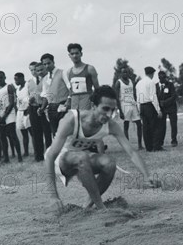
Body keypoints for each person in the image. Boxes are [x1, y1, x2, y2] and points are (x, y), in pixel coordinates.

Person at [45, 85, 160, 215]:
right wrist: (53, 196)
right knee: (82, 157)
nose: (109, 114)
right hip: (60, 161)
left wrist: (147, 175)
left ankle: (86, 208)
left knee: (109, 163)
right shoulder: (72, 119)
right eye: (105, 109)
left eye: (112, 110)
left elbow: (132, 152)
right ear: (93, 106)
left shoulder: (111, 125)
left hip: (82, 159)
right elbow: (50, 156)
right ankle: (101, 209)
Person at [0, 71, 22, 163]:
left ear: (4, 77)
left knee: (13, 136)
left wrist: (4, 116)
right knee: (2, 138)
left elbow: (11, 103)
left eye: (1, 77)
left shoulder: (8, 87)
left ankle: (19, 156)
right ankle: (6, 158)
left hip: (9, 115)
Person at [39, 53, 69, 136]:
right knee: (55, 135)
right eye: (44, 64)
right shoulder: (45, 78)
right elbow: (45, 96)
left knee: (65, 133)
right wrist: (42, 108)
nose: (47, 66)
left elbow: (71, 89)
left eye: (49, 63)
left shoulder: (63, 73)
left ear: (53, 62)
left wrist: (67, 103)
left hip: (62, 106)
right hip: (51, 108)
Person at [63, 43, 100, 110]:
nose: (75, 56)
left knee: (85, 119)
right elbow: (70, 90)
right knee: (76, 119)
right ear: (69, 55)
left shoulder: (90, 69)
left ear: (81, 54)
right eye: (72, 54)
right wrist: (68, 100)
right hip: (74, 102)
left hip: (87, 100)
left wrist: (96, 102)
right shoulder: (69, 72)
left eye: (77, 53)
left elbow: (97, 88)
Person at [28, 61, 52, 161]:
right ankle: (38, 156)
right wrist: (29, 100)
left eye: (36, 70)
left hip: (44, 107)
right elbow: (25, 96)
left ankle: (50, 154)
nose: (35, 72)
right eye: (32, 70)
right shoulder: (29, 82)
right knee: (36, 132)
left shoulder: (46, 80)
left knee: (47, 132)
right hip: (33, 108)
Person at [135, 66, 162, 152]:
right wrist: (158, 110)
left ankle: (148, 147)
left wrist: (139, 110)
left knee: (145, 128)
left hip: (142, 106)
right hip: (149, 105)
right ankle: (155, 146)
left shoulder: (138, 84)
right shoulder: (151, 82)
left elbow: (138, 98)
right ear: (152, 73)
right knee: (154, 126)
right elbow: (153, 96)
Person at [115, 68, 143, 150]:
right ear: (121, 73)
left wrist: (137, 105)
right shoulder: (118, 83)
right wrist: (120, 111)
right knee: (126, 125)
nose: (125, 74)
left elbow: (133, 93)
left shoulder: (131, 81)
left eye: (126, 72)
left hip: (132, 104)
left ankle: (140, 145)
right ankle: (128, 147)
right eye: (123, 72)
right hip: (124, 104)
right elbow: (116, 97)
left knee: (139, 124)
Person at [156, 70, 178, 148]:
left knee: (173, 125)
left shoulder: (170, 85)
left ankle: (174, 140)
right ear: (158, 78)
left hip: (171, 108)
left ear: (165, 77)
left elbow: (174, 96)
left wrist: (165, 102)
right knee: (162, 126)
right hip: (162, 109)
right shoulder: (156, 86)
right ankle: (160, 141)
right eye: (160, 77)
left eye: (163, 77)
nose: (161, 79)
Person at [14, 72, 33, 157]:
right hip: (20, 111)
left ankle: (37, 149)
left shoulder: (27, 85)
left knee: (32, 133)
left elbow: (31, 98)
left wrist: (29, 109)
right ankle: (26, 152)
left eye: (16, 79)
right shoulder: (18, 89)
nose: (15, 81)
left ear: (22, 78)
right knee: (23, 133)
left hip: (27, 111)